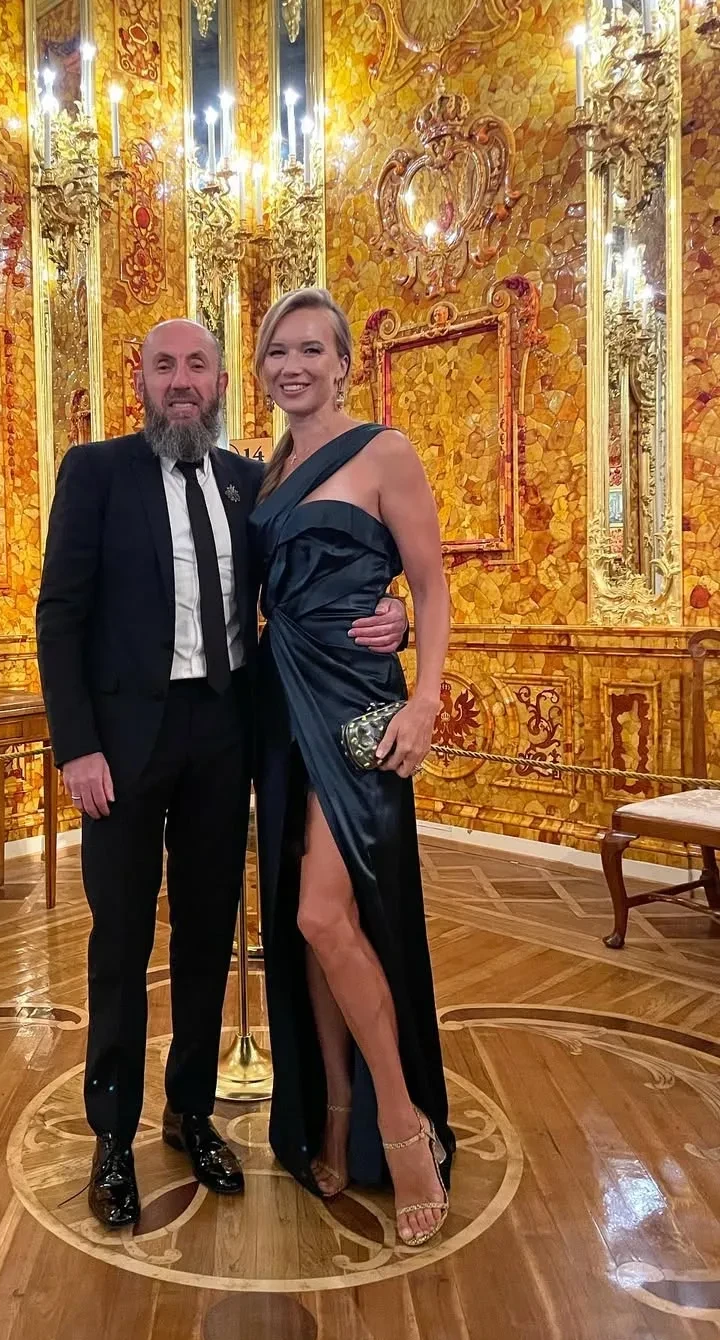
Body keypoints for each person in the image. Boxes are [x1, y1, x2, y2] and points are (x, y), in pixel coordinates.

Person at [36, 318, 408, 1229]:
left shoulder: (252, 482)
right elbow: (58, 614)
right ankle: (112, 1140)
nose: (180, 381)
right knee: (121, 944)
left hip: (224, 738)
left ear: (219, 383)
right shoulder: (95, 472)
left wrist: (391, 611)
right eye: (163, 365)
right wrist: (77, 747)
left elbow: (316, 577)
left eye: (196, 365)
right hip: (120, 748)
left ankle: (190, 1113)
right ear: (141, 381)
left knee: (209, 937)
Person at [249, 288, 454, 1248]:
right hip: (280, 707)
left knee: (324, 914)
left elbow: (431, 584)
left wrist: (425, 697)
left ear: (342, 363)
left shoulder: (385, 451)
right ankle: (334, 1111)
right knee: (311, 929)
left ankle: (403, 1126)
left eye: (311, 350)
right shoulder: (264, 474)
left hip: (361, 708)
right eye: (276, 352)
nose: (293, 366)